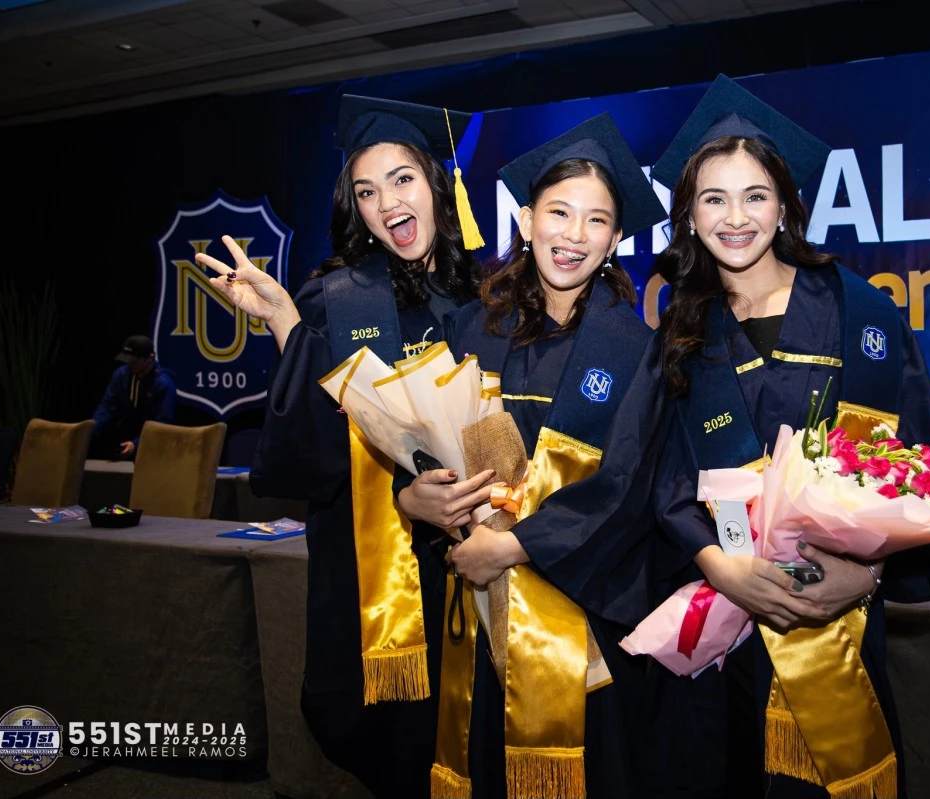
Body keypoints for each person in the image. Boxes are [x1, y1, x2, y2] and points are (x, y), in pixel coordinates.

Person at [641, 75, 930, 799]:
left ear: (784, 205)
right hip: (717, 620)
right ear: (690, 217)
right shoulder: (682, 329)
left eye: (755, 196)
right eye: (713, 199)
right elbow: (663, 474)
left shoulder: (858, 313)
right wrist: (718, 564)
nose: (735, 217)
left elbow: (913, 461)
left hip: (833, 614)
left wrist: (869, 574)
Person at [196, 95, 492, 798]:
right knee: (404, 751)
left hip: (484, 565)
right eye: (366, 191)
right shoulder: (337, 299)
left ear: (437, 183)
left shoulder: (488, 296)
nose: (387, 203)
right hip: (389, 578)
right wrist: (285, 323)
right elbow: (309, 453)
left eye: (402, 179)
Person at [412, 113, 667, 799]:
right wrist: (426, 497)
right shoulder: (471, 329)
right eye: (559, 212)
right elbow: (429, 445)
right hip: (481, 600)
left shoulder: (636, 350)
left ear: (615, 239)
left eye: (596, 221)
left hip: (585, 621)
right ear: (526, 221)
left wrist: (515, 545)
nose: (574, 234)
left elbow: (630, 489)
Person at [90, 334, 177, 458]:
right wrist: (92, 428)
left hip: (151, 443)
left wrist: (136, 443)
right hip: (121, 436)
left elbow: (162, 423)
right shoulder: (121, 375)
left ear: (150, 357)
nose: (129, 364)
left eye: (134, 361)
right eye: (127, 360)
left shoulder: (163, 384)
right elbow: (107, 406)